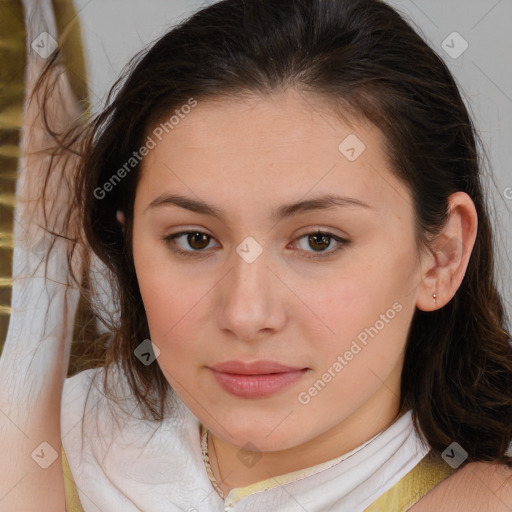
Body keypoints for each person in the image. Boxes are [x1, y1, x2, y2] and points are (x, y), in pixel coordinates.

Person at [1, 0, 512, 510]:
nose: (246, 314)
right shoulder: (42, 446)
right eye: (194, 239)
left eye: (319, 241)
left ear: (441, 257)